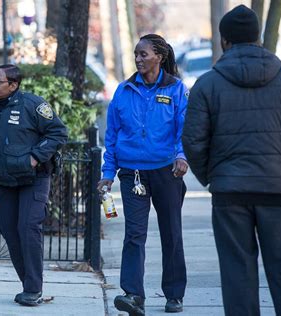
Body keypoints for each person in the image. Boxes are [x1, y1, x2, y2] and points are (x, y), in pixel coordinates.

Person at [182, 5, 281, 316]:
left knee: (237, 274)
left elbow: (193, 141)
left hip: (230, 192)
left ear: (224, 41)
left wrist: (213, 176)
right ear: (258, 39)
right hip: (280, 189)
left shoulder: (207, 84)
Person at [98, 34, 189, 315]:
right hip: (132, 174)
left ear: (159, 57)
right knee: (134, 235)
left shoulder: (176, 89)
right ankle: (133, 295)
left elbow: (183, 129)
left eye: (144, 54)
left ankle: (174, 295)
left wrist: (181, 156)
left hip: (166, 172)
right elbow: (111, 136)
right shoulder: (124, 91)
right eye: (136, 55)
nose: (138, 59)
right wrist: (107, 173)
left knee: (171, 233)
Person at [0, 64, 68, 306]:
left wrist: (35, 157)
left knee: (28, 227)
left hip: (33, 179)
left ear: (13, 85)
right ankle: (28, 284)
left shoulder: (33, 104)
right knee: (10, 231)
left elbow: (58, 132)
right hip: (3, 180)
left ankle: (34, 289)